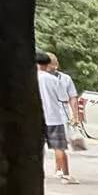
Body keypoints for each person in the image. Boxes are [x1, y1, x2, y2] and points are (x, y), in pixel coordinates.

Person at [36, 51, 75, 183]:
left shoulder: (31, 78)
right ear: (48, 64)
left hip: (37, 118)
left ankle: (37, 173)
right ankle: (66, 175)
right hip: (54, 118)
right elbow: (64, 98)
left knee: (36, 148)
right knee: (59, 148)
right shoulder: (53, 80)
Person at [46, 53, 83, 148]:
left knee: (60, 145)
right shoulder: (40, 77)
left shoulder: (65, 79)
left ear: (55, 65)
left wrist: (75, 116)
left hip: (61, 112)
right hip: (45, 112)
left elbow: (73, 98)